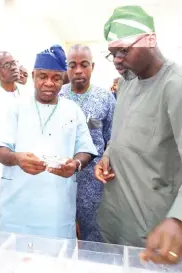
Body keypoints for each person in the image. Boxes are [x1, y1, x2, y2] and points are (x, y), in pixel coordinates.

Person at [95, 5, 182, 264]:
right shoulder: (126, 82)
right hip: (115, 217)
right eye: (113, 54)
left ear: (151, 40)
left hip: (153, 229)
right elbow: (122, 133)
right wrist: (107, 156)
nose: (118, 59)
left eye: (124, 50)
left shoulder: (174, 87)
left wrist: (178, 218)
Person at [0, 45, 98, 239]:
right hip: (17, 208)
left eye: (56, 78)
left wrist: (76, 164)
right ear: (33, 76)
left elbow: (86, 150)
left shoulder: (72, 110)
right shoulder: (16, 107)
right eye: (43, 76)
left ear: (63, 79)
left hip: (56, 212)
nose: (49, 83)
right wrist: (16, 158)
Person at [60, 44, 116, 242]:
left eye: (84, 65)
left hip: (93, 181)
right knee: (61, 232)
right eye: (72, 65)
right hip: (60, 178)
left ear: (93, 66)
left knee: (92, 235)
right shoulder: (58, 96)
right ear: (66, 68)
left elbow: (112, 138)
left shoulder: (105, 98)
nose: (78, 71)